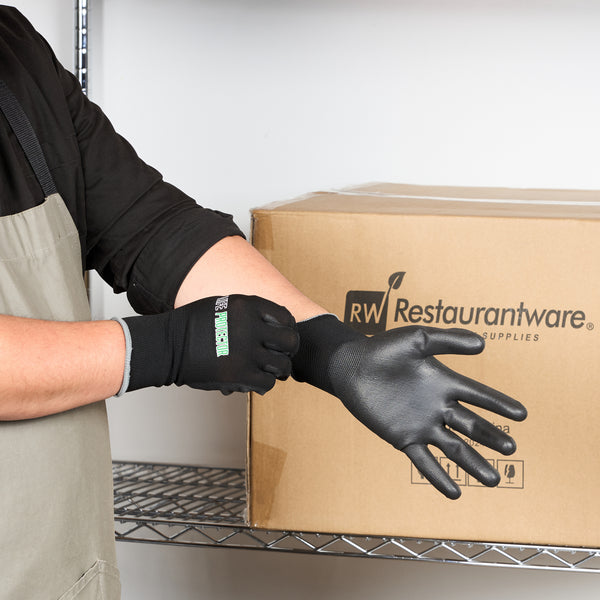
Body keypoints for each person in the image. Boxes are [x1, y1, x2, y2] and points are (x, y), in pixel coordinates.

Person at [0, 6, 527, 600]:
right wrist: (166, 348)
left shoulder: (12, 52)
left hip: (59, 565)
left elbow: (150, 229)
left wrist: (332, 351)